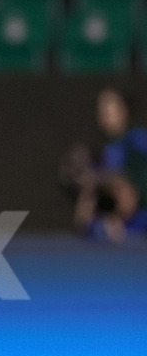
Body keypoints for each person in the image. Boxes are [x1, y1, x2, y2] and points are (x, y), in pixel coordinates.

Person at [61, 87, 147, 243]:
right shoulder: (103, 151)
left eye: (109, 109)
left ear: (124, 110)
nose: (103, 115)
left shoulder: (139, 141)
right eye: (100, 110)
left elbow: (128, 192)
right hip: (118, 230)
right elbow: (84, 217)